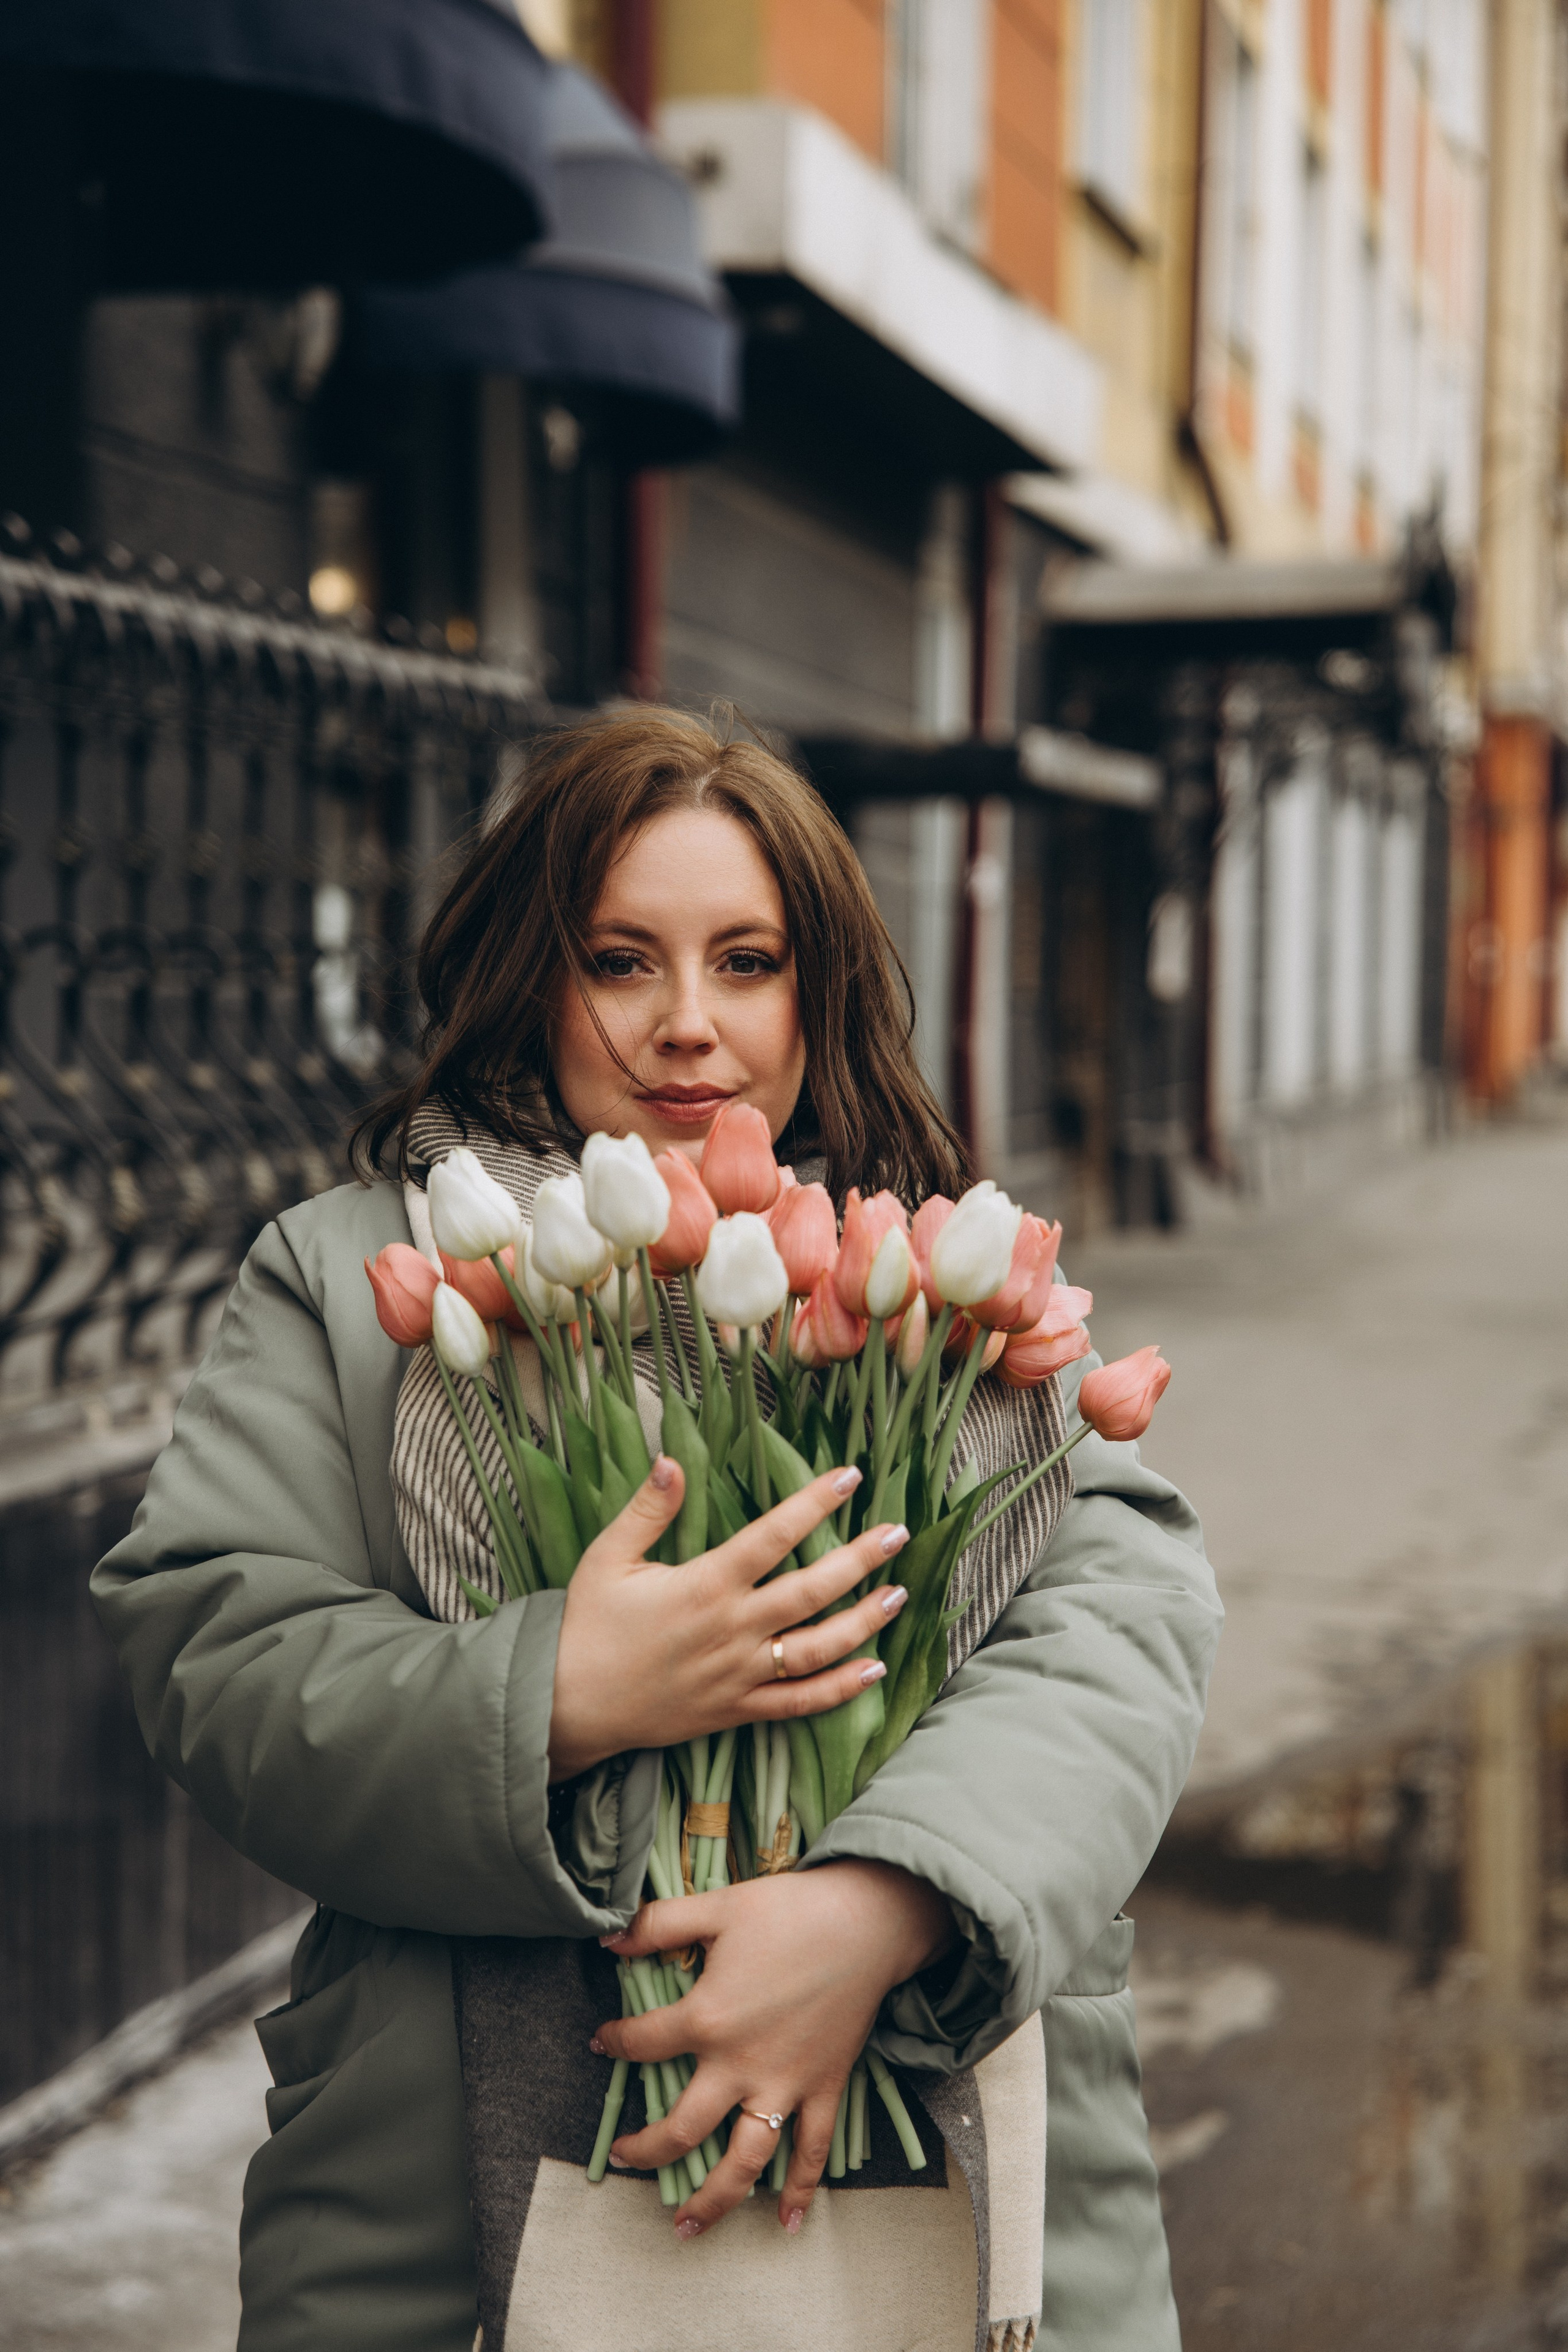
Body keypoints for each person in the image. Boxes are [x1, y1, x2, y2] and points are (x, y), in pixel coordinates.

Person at [93, 709, 1221, 2352]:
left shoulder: (927, 1267)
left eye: (747, 962)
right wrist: (563, 1687)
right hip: (450, 2197)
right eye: (622, 961)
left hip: (936, 2146)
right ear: (532, 978)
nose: (689, 1028)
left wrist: (883, 1903)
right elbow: (219, 1646)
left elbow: (1118, 1629)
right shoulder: (351, 1280)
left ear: (814, 989)